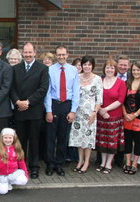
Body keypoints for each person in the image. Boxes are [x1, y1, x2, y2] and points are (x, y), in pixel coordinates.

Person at [10, 42, 48, 179]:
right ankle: (21, 166)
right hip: (20, 110)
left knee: (34, 141)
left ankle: (34, 167)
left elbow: (43, 89)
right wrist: (17, 102)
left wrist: (28, 102)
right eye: (25, 52)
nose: (27, 55)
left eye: (30, 52)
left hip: (34, 111)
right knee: (20, 141)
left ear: (35, 53)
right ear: (22, 53)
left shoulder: (42, 68)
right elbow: (12, 88)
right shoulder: (16, 68)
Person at [43, 45, 80, 176]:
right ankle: (50, 164)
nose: (61, 57)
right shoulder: (49, 70)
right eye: (59, 54)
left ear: (67, 55)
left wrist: (73, 111)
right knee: (51, 137)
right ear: (56, 55)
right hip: (54, 104)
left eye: (63, 54)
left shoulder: (73, 70)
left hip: (67, 106)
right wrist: (48, 110)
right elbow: (47, 92)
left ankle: (59, 164)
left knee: (63, 137)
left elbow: (76, 92)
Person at [68, 55, 103, 174]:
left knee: (87, 139)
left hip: (90, 114)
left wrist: (95, 112)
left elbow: (99, 99)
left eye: (89, 64)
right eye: (85, 64)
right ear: (81, 65)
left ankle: (87, 161)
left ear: (92, 66)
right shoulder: (76, 77)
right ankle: (80, 160)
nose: (87, 66)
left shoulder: (97, 79)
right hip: (77, 112)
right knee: (78, 138)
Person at [95, 58, 127, 174]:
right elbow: (95, 97)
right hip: (101, 116)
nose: (109, 69)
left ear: (115, 70)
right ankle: (103, 162)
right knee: (103, 141)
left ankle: (109, 163)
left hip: (114, 116)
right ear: (104, 69)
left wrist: (106, 109)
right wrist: (100, 110)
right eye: (108, 67)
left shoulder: (121, 83)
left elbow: (120, 100)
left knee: (112, 141)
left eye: (112, 67)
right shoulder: (99, 80)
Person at [0, 128, 28, 194]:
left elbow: (21, 162)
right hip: (1, 174)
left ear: (14, 138)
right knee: (2, 191)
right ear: (2, 138)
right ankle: (3, 182)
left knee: (23, 180)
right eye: (5, 138)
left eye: (10, 138)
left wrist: (25, 173)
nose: (8, 140)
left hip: (13, 173)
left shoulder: (17, 148)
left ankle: (9, 181)